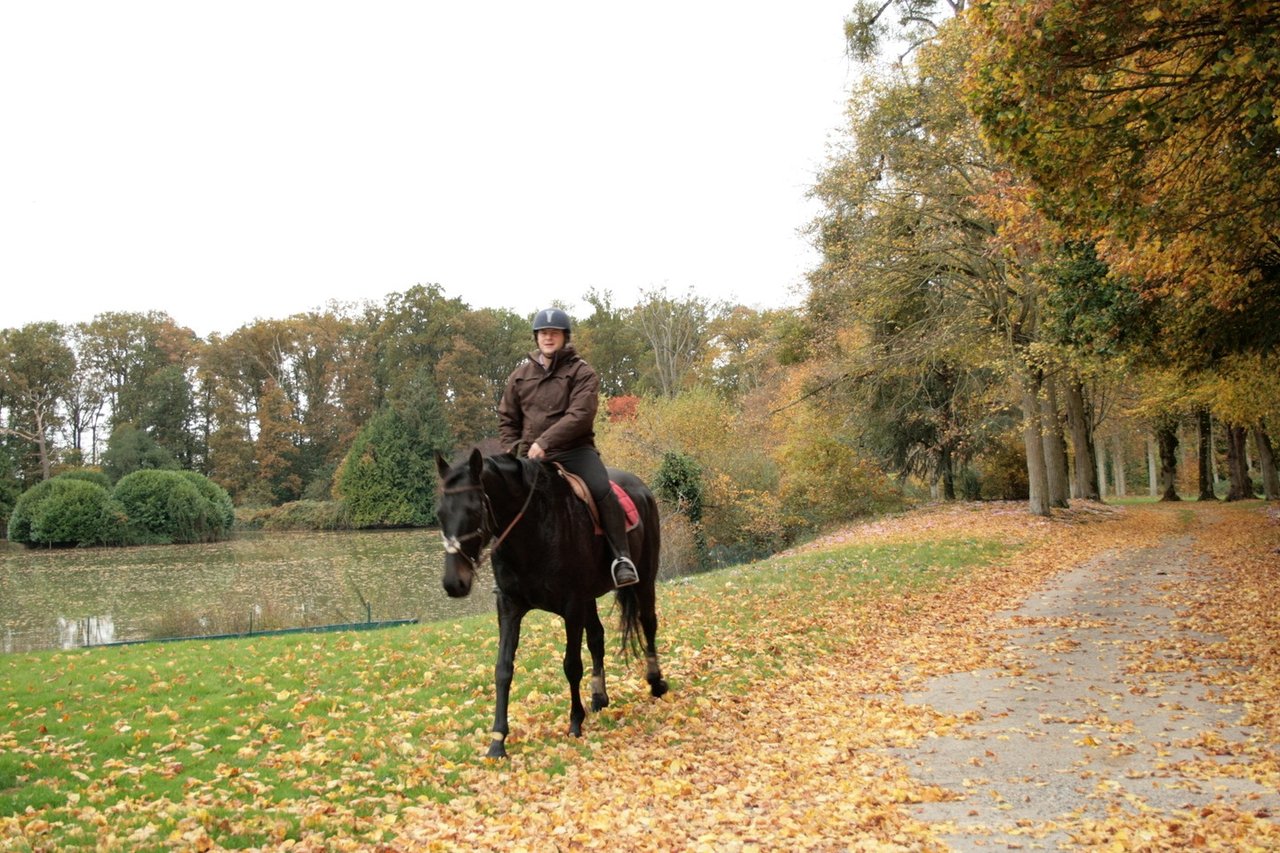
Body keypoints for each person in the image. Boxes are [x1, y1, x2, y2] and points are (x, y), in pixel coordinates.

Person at [497, 308, 640, 588]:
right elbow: (507, 418)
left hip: (575, 452)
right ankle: (508, 569)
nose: (548, 337)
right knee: (501, 497)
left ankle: (621, 558)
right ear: (536, 337)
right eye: (543, 333)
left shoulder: (581, 372)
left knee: (601, 489)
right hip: (530, 457)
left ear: (565, 337)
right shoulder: (520, 376)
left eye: (554, 333)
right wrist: (512, 449)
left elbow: (580, 415)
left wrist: (544, 442)